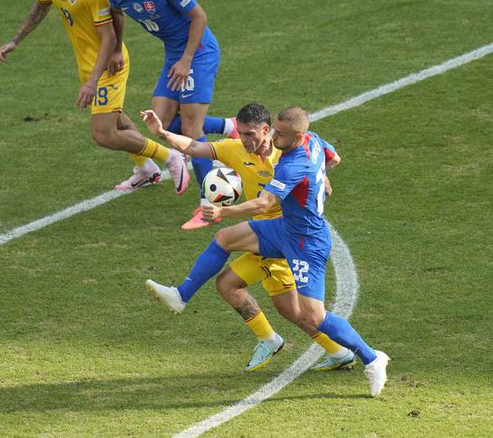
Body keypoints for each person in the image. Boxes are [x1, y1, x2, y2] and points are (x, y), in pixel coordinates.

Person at [145, 106, 390, 396]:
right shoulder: (313, 139)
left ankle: (372, 358)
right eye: (274, 130)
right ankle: (181, 295)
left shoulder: (289, 164)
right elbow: (334, 157)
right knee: (225, 239)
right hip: (283, 227)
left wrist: (222, 212)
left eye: (280, 134)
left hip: (305, 243)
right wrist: (161, 133)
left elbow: (263, 204)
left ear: (296, 136)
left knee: (313, 316)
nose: (275, 137)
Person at [0, 0, 189, 194]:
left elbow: (109, 37)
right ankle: (146, 169)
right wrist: (16, 40)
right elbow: (42, 6)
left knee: (103, 134)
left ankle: (170, 157)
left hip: (108, 65)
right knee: (118, 119)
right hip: (87, 64)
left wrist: (92, 81)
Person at [106, 0, 238, 230]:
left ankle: (208, 204)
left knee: (191, 129)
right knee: (160, 124)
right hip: (173, 55)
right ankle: (230, 128)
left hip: (198, 53)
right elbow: (116, 12)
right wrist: (117, 47)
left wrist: (187, 60)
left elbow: (199, 16)